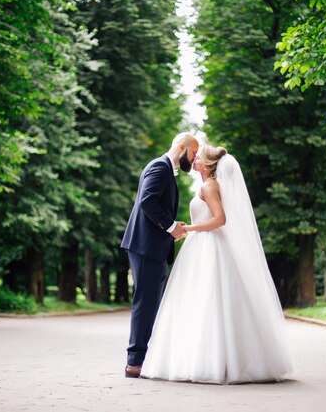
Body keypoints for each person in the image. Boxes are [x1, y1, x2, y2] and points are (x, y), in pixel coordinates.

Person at [140, 144, 293, 384]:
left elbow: (220, 219)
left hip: (208, 245)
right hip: (201, 244)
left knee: (208, 299)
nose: (194, 159)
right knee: (200, 300)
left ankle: (213, 362)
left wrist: (189, 228)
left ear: (209, 165)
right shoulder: (207, 185)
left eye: (198, 157)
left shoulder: (210, 185)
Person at [120, 132, 199, 378]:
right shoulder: (159, 167)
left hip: (152, 247)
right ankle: (135, 362)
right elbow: (147, 201)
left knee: (151, 303)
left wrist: (171, 227)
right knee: (145, 303)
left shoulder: (164, 168)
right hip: (146, 247)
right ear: (182, 146)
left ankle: (143, 359)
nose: (194, 159)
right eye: (193, 153)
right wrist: (171, 226)